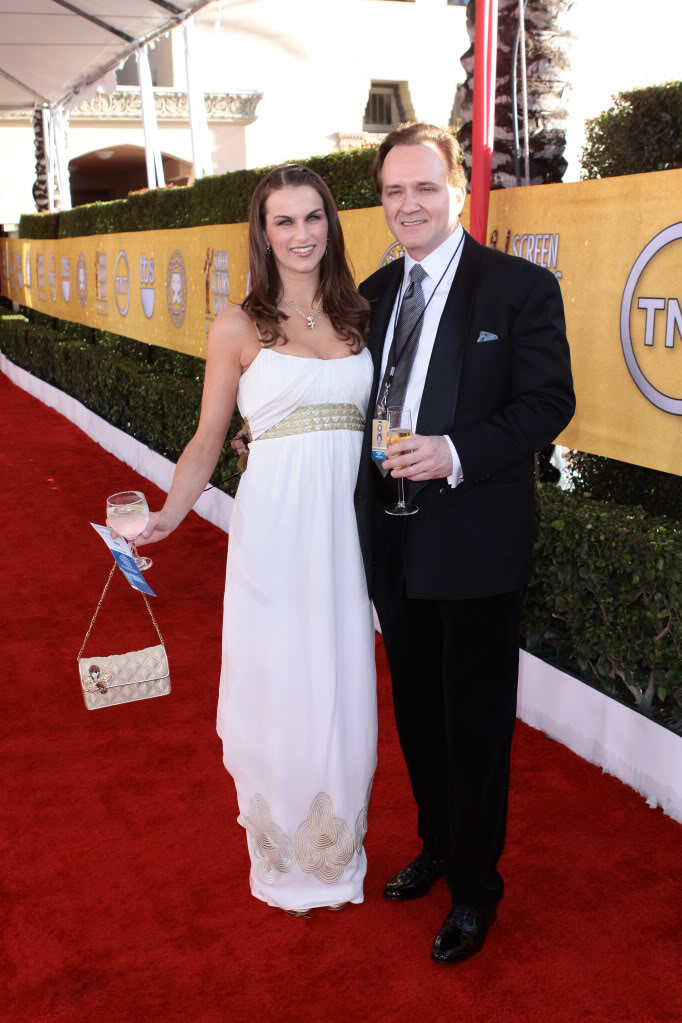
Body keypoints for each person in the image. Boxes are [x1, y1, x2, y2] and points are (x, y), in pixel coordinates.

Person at [354, 122, 575, 963]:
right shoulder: (369, 294)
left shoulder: (519, 286)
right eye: (393, 192)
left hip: (476, 541)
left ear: (457, 189)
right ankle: (438, 844)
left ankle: (477, 888)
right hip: (392, 541)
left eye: (423, 188)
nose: (408, 205)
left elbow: (547, 403)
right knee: (416, 713)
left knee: (476, 723)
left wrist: (454, 452)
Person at [136, 165, 377, 915]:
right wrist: (169, 516)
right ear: (263, 233)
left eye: (314, 218)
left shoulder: (362, 314)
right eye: (285, 222)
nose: (302, 234)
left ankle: (337, 853)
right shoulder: (236, 326)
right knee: (280, 685)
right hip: (273, 532)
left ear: (330, 224)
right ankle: (285, 864)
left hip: (345, 533)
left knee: (343, 686)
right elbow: (209, 438)